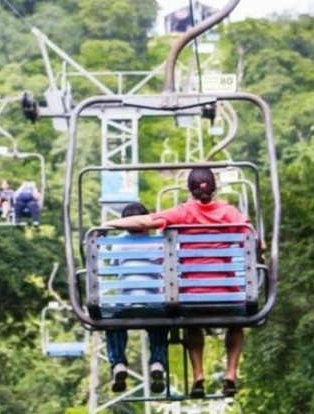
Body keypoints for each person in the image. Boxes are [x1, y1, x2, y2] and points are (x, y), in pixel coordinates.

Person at [104, 168, 247, 398]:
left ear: (189, 190)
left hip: (192, 296)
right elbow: (252, 241)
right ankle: (231, 372)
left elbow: (146, 221)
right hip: (227, 294)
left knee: (192, 324)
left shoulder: (183, 212)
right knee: (236, 324)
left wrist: (110, 223)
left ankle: (199, 373)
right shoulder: (229, 212)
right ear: (214, 188)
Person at [105, 203, 169, 394]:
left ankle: (118, 364)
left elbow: (115, 266)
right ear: (147, 223)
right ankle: (157, 362)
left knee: (113, 322)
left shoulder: (117, 243)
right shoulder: (158, 242)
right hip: (152, 302)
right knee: (160, 322)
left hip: (125, 302)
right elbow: (162, 265)